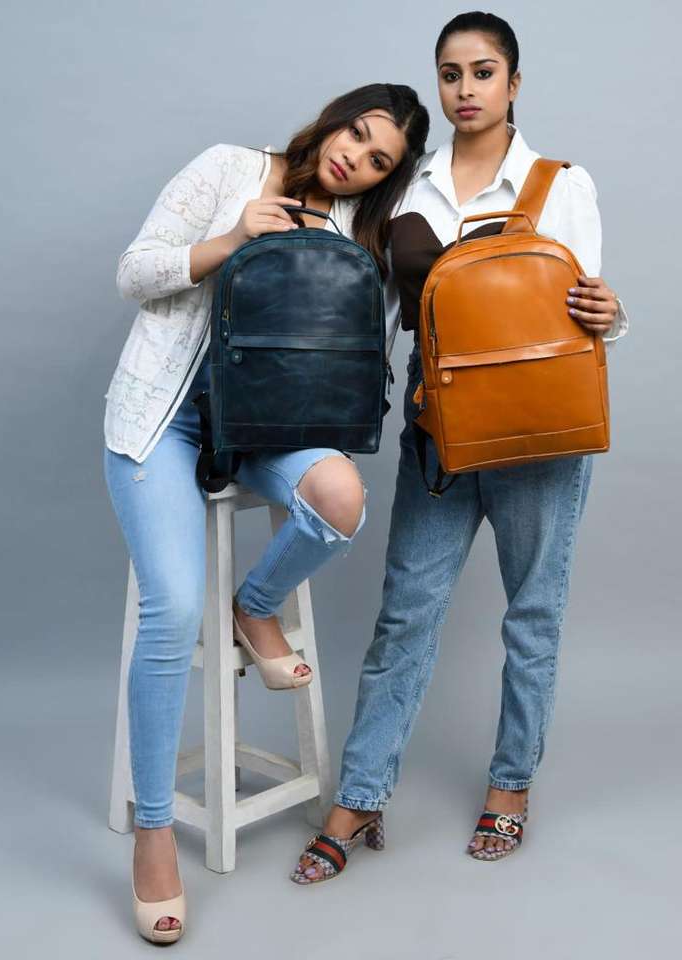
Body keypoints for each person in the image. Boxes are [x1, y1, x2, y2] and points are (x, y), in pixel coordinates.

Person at [291, 12, 629, 884]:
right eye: (450, 73)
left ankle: (509, 787)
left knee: (532, 618)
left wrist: (613, 315)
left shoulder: (560, 184)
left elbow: (580, 318)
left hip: (536, 434)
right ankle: (361, 795)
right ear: (437, 84)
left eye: (483, 72)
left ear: (513, 83)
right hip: (435, 432)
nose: (466, 89)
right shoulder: (407, 184)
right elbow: (360, 291)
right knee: (405, 615)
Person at [103, 82, 429, 941]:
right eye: (355, 133)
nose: (353, 158)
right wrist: (232, 238)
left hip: (266, 429)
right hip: (163, 420)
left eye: (378, 160)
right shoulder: (228, 168)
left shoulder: (354, 235)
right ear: (334, 118)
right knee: (174, 609)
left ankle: (255, 606)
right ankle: (153, 832)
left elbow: (357, 352)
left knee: (341, 498)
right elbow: (134, 273)